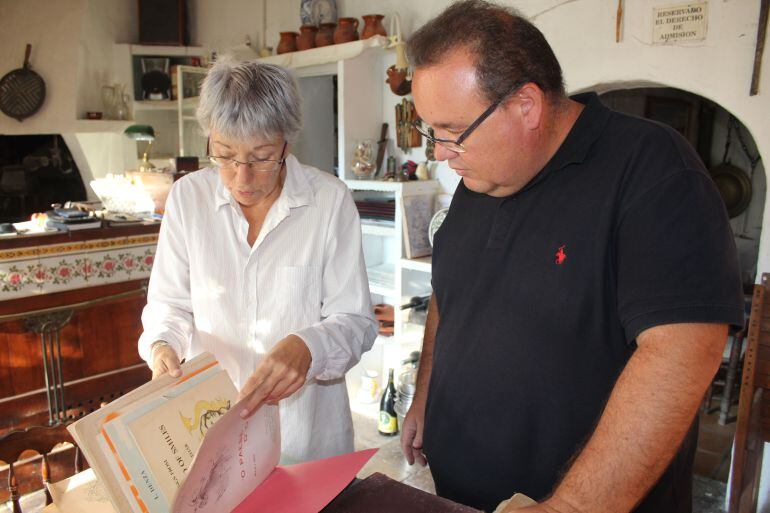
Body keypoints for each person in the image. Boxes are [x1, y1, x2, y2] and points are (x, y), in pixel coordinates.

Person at [399, 2, 744, 512]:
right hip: (462, 493)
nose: (439, 153)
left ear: (526, 106)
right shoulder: (479, 179)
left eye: (451, 131)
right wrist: (424, 394)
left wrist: (571, 508)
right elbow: (448, 295)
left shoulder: (652, 170)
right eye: (431, 130)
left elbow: (682, 352)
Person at [138, 56, 377, 463]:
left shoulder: (329, 201)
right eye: (225, 155)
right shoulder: (188, 199)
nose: (241, 178)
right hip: (211, 432)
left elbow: (356, 320)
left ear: (287, 141)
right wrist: (163, 344)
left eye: (262, 156)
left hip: (303, 439)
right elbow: (169, 304)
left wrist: (308, 346)